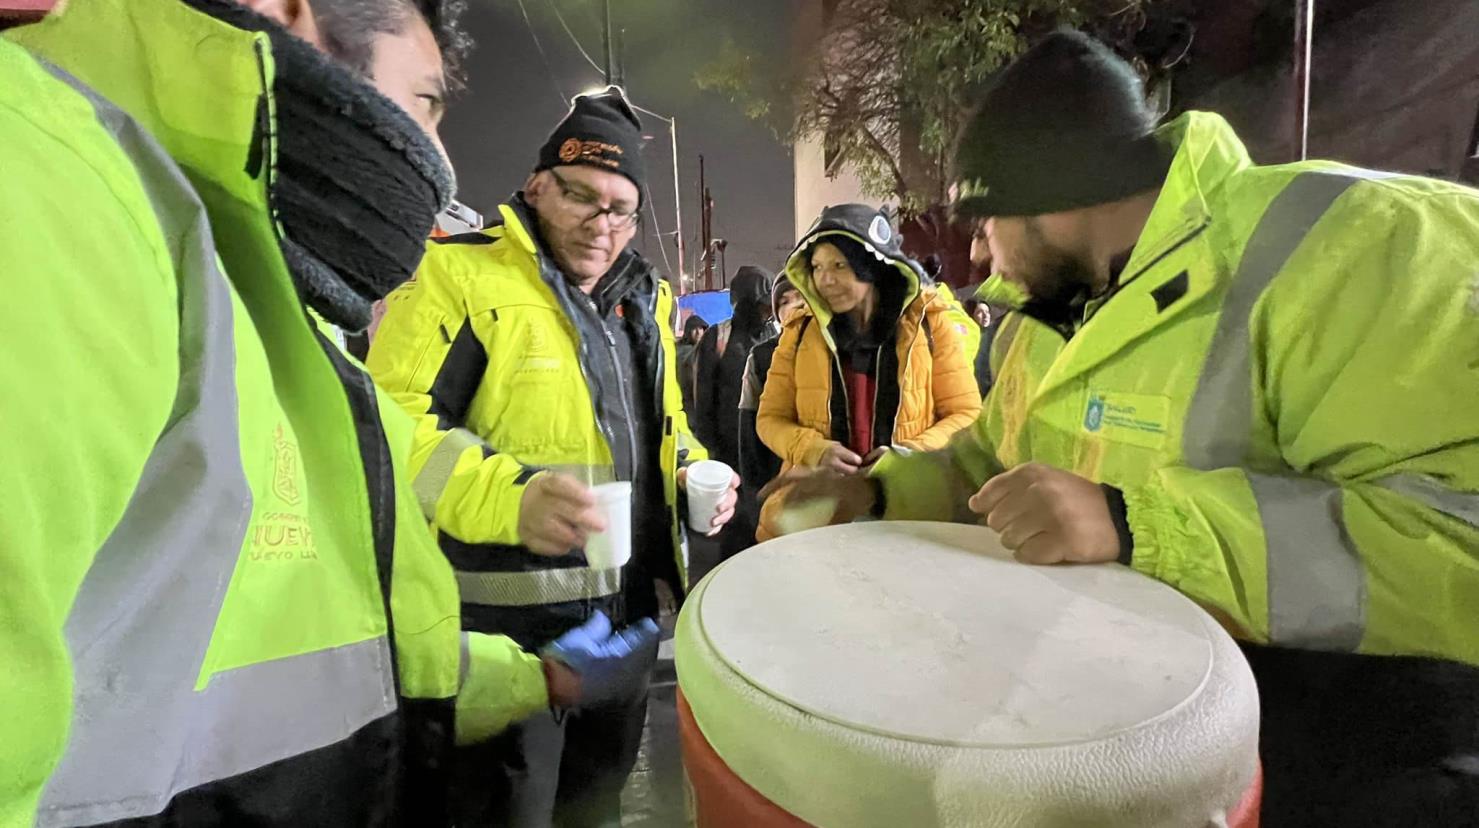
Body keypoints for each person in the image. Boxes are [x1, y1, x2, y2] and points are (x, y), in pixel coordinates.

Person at [765, 30, 1479, 824]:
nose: (978, 251)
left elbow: (1455, 536)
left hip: (1366, 758)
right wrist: (878, 495)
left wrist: (1132, 525)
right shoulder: (1043, 317)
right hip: (1145, 746)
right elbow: (990, 467)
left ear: (1050, 199)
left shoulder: (1354, 247)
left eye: (986, 220)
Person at [1, 1, 659, 825]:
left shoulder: (261, 283)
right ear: (287, 14)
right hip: (501, 598)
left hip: (561, 633)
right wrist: (511, 499)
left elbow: (321, 611)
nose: (436, 158)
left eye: (620, 209)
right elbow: (406, 436)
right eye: (425, 102)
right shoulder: (50, 185)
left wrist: (535, 679)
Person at [366, 87, 740, 827]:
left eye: (621, 210)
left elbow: (664, 426)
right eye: (581, 199)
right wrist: (512, 497)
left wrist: (698, 471)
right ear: (538, 186)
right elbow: (389, 426)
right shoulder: (456, 276)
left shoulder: (648, 300)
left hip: (625, 626)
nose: (602, 227)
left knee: (592, 810)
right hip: (505, 638)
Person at [754, 203, 981, 540]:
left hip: (907, 515)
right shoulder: (799, 332)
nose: (825, 279)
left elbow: (965, 414)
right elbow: (769, 419)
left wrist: (907, 457)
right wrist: (813, 449)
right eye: (816, 267)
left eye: (839, 265)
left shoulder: (930, 324)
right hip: (817, 516)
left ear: (871, 264)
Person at [692, 266, 775, 469]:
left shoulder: (775, 334)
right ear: (747, 303)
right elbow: (703, 398)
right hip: (728, 451)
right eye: (763, 306)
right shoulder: (718, 337)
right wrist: (710, 449)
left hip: (769, 447)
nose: (768, 313)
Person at [677, 314, 708, 413]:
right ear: (687, 332)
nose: (698, 332)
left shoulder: (704, 351)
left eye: (701, 328)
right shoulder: (681, 351)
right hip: (685, 401)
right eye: (694, 329)